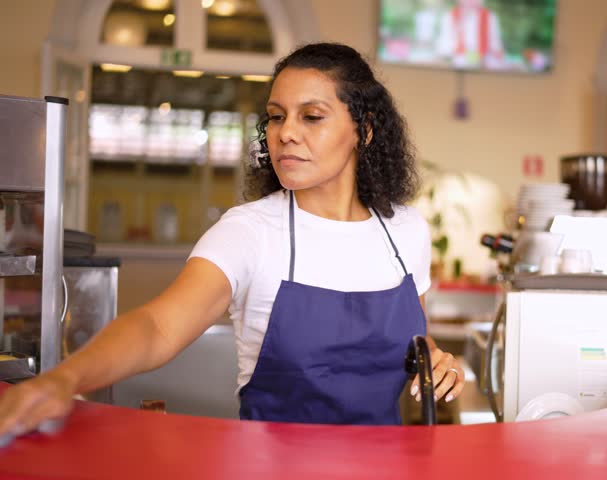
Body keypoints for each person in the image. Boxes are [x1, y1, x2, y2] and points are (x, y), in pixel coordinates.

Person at [0, 43, 465, 435]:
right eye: (277, 117)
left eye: (312, 117)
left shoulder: (405, 230)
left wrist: (436, 362)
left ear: (363, 131)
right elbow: (158, 327)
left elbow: (413, 343)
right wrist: (63, 378)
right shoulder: (249, 232)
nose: (286, 134)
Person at [434, 0, 505, 69]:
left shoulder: (489, 17)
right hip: (457, 66)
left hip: (483, 66)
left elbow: (495, 46)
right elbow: (444, 46)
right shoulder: (450, 17)